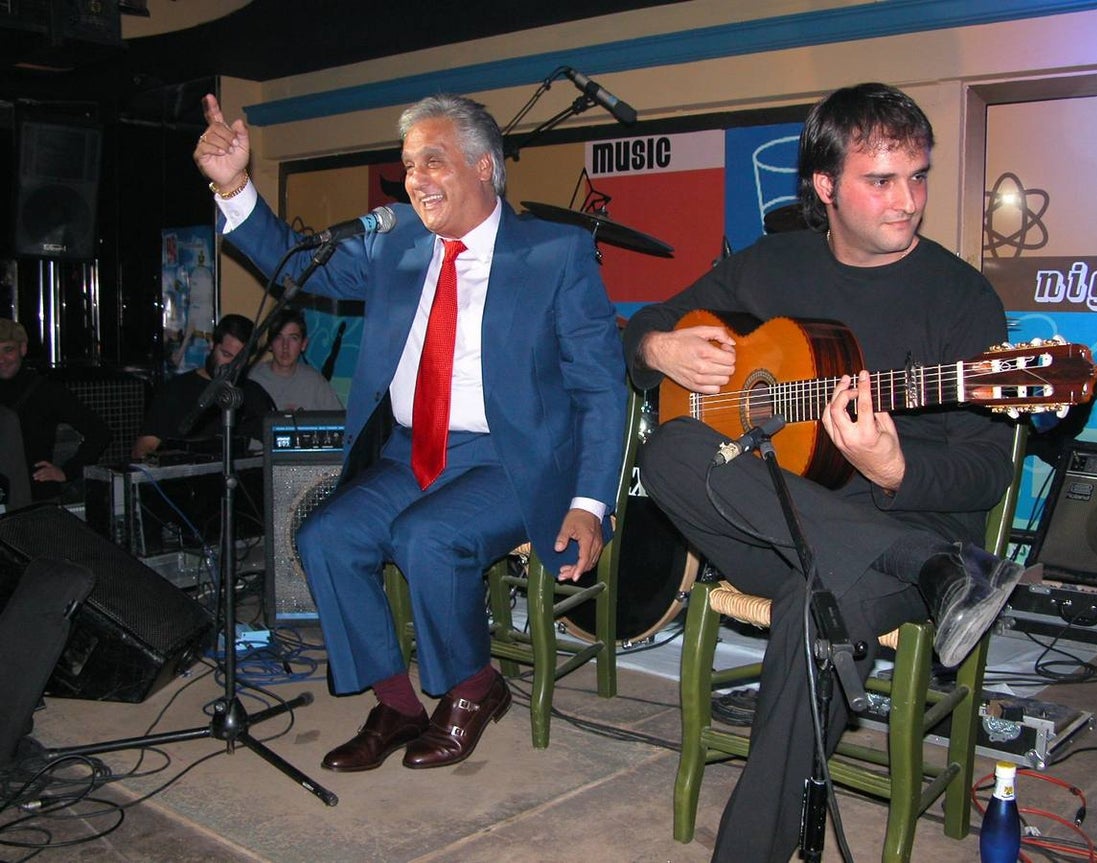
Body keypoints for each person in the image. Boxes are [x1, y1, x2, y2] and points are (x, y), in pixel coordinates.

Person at [622, 83, 1029, 862]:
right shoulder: (773, 265)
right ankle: (945, 572)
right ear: (825, 187)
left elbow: (984, 475)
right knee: (670, 448)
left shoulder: (961, 298)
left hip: (900, 528)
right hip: (773, 520)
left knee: (819, 605)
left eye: (918, 175)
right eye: (881, 180)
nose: (907, 200)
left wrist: (897, 466)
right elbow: (643, 325)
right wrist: (659, 349)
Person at [194, 92, 627, 771]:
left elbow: (604, 387)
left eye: (434, 160)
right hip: (411, 451)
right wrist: (234, 184)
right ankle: (396, 702)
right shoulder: (395, 245)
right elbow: (292, 263)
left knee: (428, 536)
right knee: (325, 536)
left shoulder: (556, 253)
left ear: (485, 167)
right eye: (407, 164)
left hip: (508, 461)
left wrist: (589, 503)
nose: (416, 177)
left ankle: (475, 685)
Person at [131, 313, 274, 460]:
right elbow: (143, 448)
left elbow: (277, 442)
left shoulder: (253, 393)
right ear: (212, 344)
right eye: (226, 354)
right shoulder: (176, 390)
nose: (232, 366)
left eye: (240, 360)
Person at [0, 318, 111, 503]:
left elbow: (99, 432)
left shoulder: (44, 390)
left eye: (8, 349)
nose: (1, 359)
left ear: (23, 349)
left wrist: (67, 471)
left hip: (36, 500)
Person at [248, 307, 343, 411]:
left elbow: (340, 422)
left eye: (293, 338)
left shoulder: (315, 383)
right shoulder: (252, 377)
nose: (285, 346)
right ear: (270, 344)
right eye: (278, 337)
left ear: (303, 344)